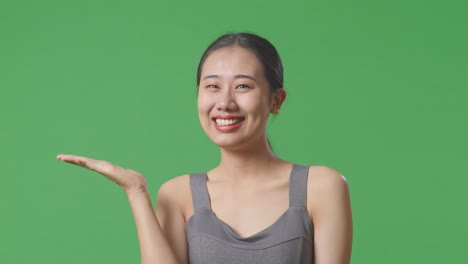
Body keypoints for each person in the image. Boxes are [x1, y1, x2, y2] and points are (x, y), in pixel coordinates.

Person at [56, 32, 353, 264]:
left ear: (276, 101)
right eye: (212, 86)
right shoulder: (178, 194)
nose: (224, 102)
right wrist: (136, 192)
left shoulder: (321, 187)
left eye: (243, 86)